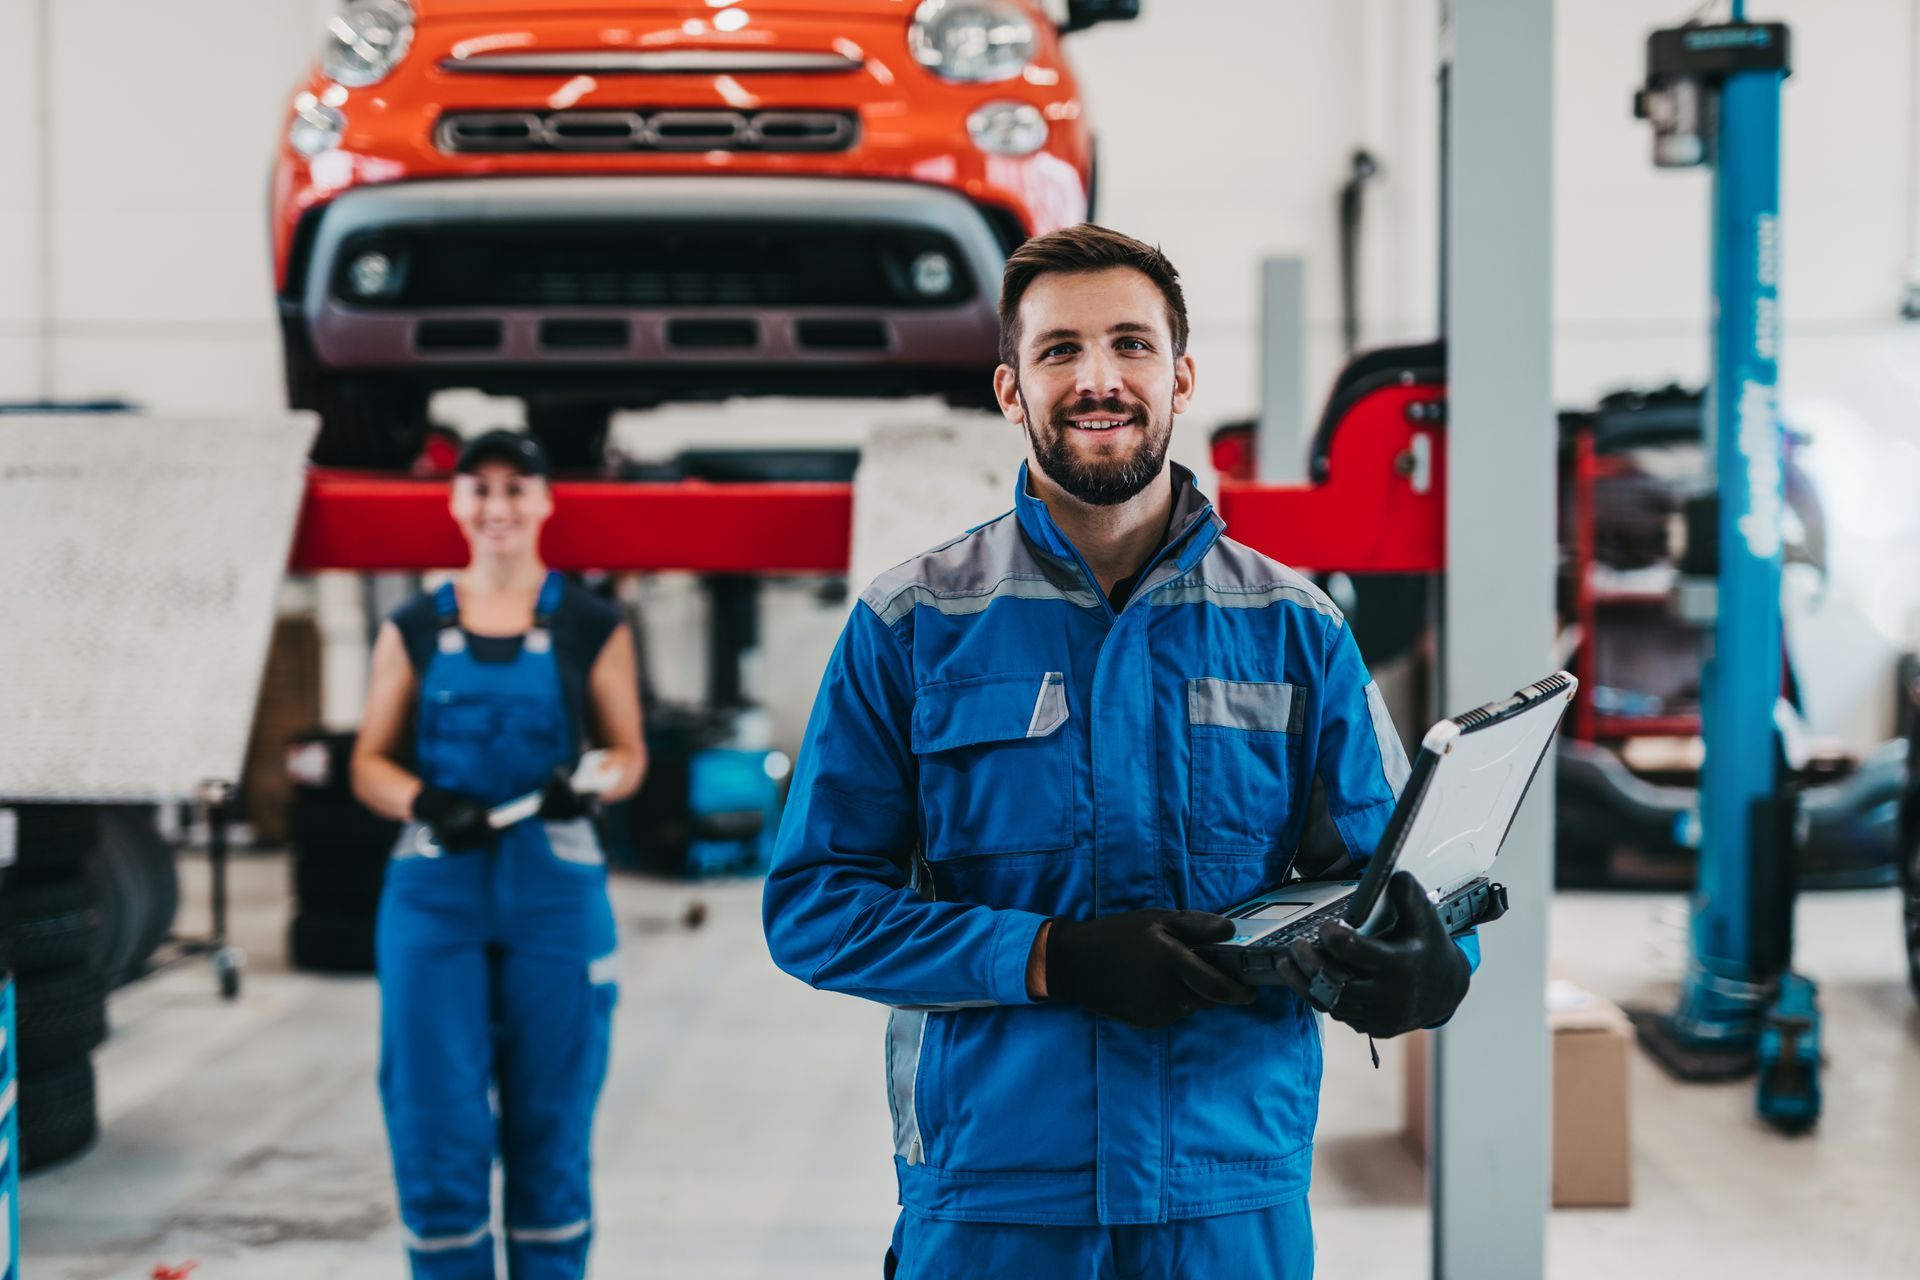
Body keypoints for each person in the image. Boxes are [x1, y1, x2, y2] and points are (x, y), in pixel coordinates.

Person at [762, 225, 1477, 1278]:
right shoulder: (913, 624)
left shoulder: (1295, 626)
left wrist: (1431, 966)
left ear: (1180, 375)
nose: (1099, 379)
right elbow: (814, 906)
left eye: (1131, 344)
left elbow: (1402, 881)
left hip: (1228, 1190)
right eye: (1059, 351)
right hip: (997, 1191)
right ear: (1010, 391)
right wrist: (1055, 957)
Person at [353, 430, 645, 1280]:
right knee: (433, 1114)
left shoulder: (592, 624)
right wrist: (421, 798)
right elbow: (368, 763)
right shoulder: (410, 626)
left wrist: (590, 782)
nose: (497, 506)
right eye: (478, 488)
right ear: (454, 504)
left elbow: (629, 755)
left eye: (516, 487)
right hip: (434, 891)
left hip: (553, 886)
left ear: (547, 501)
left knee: (551, 1121)